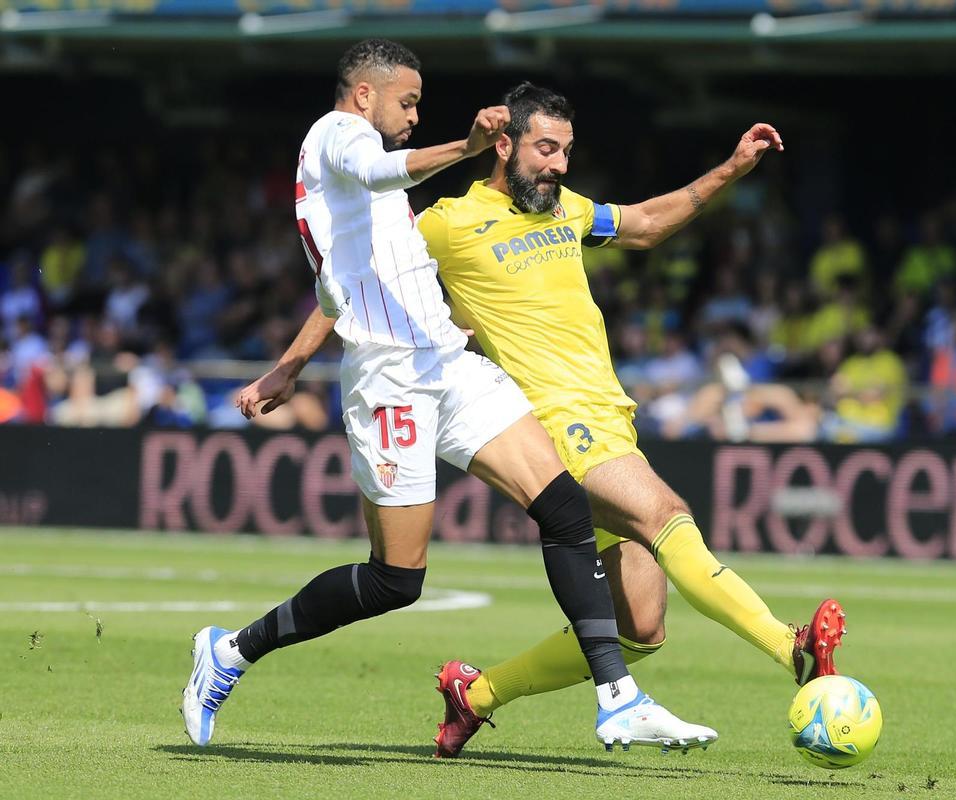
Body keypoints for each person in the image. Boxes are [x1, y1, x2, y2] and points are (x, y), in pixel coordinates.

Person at [239, 82, 846, 759]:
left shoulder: (568, 210)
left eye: (566, 152)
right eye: (545, 149)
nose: (558, 165)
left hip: (611, 419)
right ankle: (789, 647)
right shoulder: (448, 221)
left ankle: (476, 695)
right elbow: (358, 280)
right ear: (504, 145)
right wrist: (289, 366)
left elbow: (643, 223)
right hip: (549, 425)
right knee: (666, 515)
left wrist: (732, 170)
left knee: (641, 628)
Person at [185, 40, 714, 755]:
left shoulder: (370, 196)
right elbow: (379, 169)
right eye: (407, 101)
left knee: (563, 506)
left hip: (445, 358)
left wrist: (289, 364)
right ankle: (231, 651)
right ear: (365, 96)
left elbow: (341, 283)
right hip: (388, 378)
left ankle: (618, 699)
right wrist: (465, 146)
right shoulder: (337, 136)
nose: (412, 114)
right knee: (394, 581)